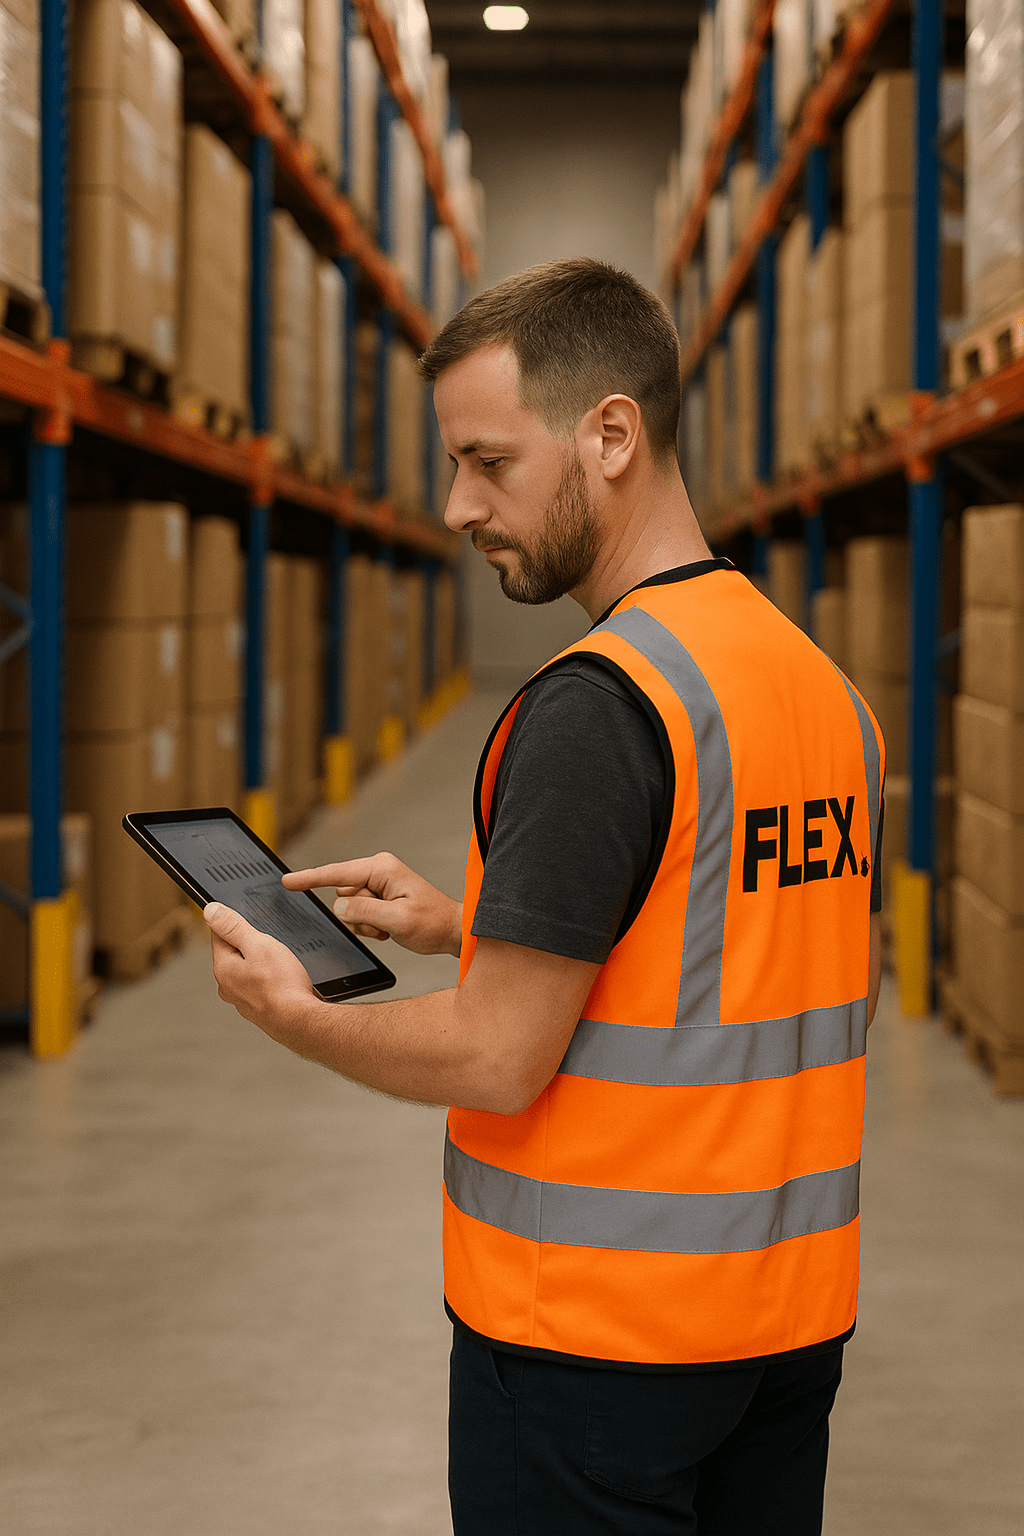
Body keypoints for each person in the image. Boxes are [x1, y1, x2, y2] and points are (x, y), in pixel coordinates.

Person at [205, 258, 885, 1535]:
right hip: (783, 1333)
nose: (457, 504)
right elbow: (721, 945)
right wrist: (478, 921)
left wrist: (298, 1014)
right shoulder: (814, 689)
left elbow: (498, 1056)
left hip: (594, 1345)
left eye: (488, 461)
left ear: (611, 434)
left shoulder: (594, 704)